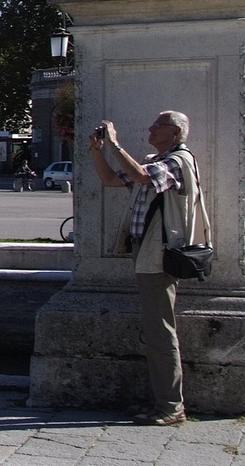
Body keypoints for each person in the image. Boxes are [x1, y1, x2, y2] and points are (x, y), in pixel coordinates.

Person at [89, 111, 208, 425]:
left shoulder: (177, 162)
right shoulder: (158, 161)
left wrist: (114, 145)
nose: (150, 129)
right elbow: (112, 180)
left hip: (160, 256)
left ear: (174, 132)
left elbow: (141, 175)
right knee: (155, 330)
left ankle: (170, 406)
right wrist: (97, 151)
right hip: (147, 253)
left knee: (160, 332)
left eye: (157, 126)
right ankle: (162, 400)